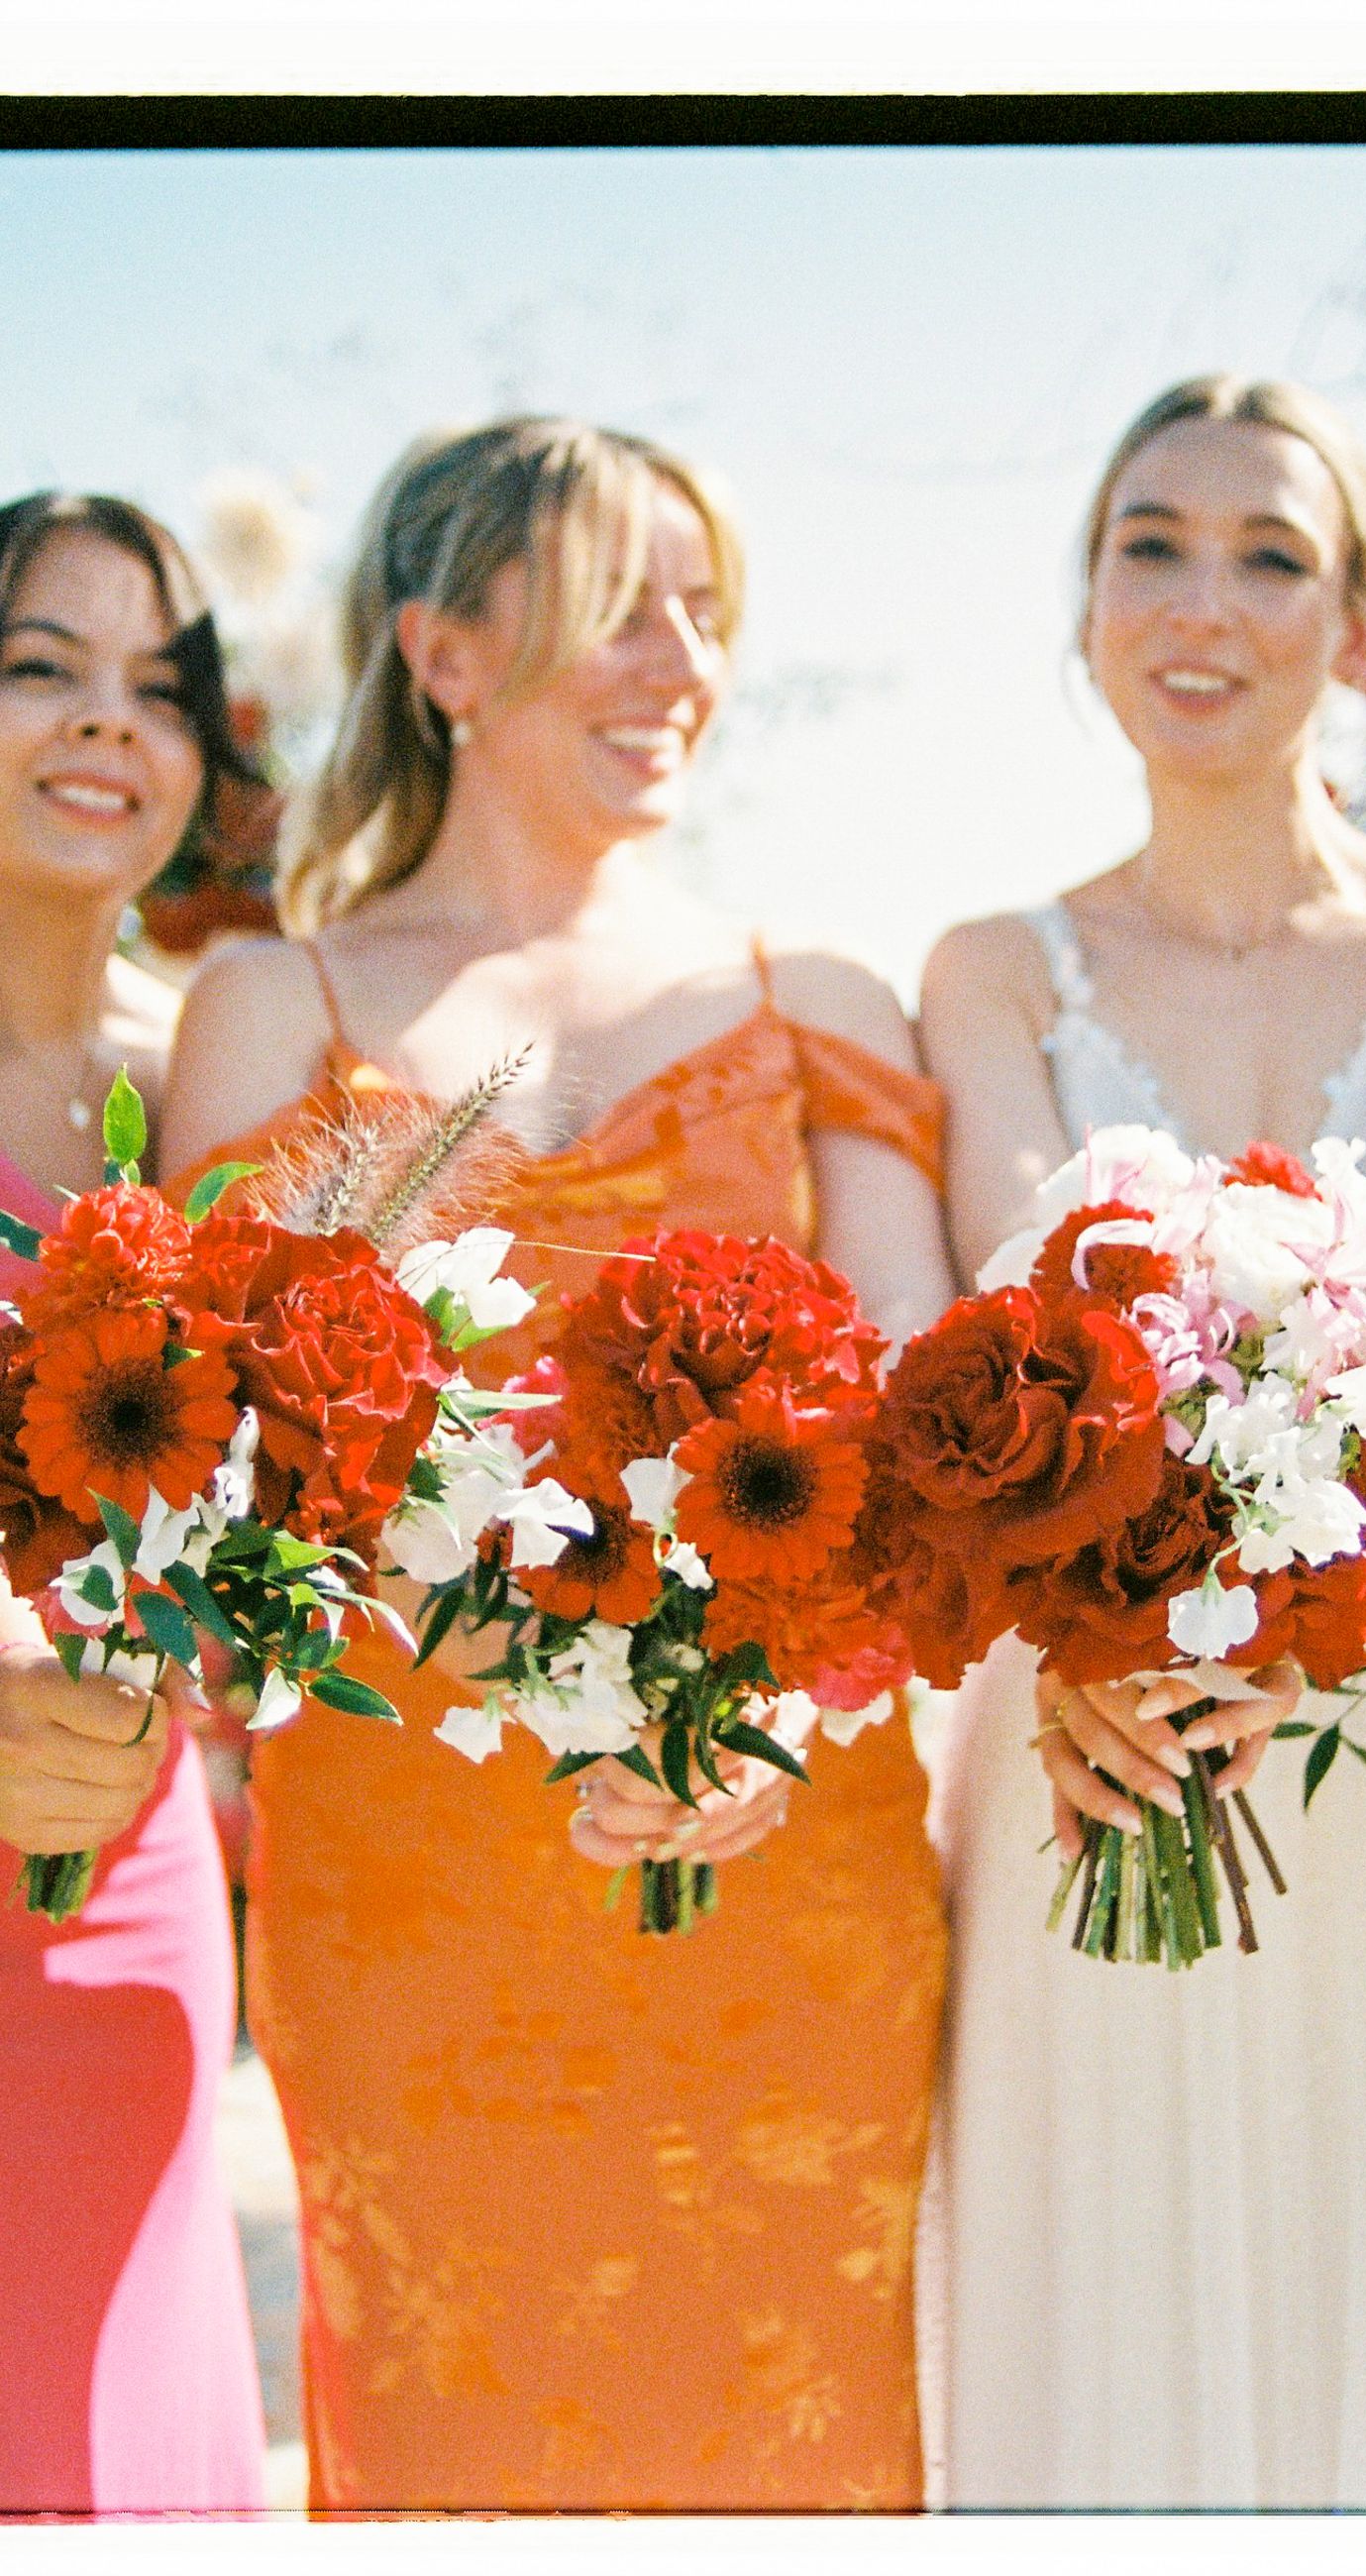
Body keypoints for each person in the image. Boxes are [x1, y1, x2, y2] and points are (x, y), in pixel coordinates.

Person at [159, 415, 954, 2514]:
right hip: (415, 1912)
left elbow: (912, 1449)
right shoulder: (272, 1006)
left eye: (706, 609)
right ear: (441, 649)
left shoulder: (823, 995)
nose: (682, 658)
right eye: (624, 604)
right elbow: (227, 1485)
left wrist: (768, 1728)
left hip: (787, 1877)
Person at [917, 374, 1366, 2511]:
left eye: (1271, 552)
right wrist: (1076, 1658)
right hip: (1089, 1748)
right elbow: (1009, 1348)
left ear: (1354, 629)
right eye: (1149, 543)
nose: (1202, 599)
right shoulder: (989, 972)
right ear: (1086, 607)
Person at [0, 492, 264, 2515]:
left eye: (154, 687)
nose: (107, 726)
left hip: (135, 1860)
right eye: (39, 667)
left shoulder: (198, 1092)